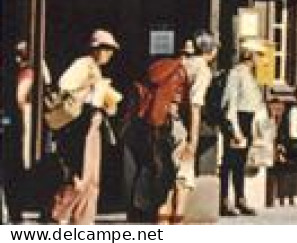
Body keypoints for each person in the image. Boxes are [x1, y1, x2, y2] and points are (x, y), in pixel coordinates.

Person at [45, 30, 121, 224]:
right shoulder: (83, 64)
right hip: (80, 124)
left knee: (90, 178)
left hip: (92, 126)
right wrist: (89, 92)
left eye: (111, 49)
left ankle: (83, 221)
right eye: (106, 49)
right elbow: (65, 84)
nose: (109, 53)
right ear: (95, 49)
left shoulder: (94, 68)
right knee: (78, 176)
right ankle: (60, 215)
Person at [123, 46, 192, 222]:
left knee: (151, 168)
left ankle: (150, 215)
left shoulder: (154, 70)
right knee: (174, 175)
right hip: (170, 124)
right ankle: (171, 220)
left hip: (148, 124)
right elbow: (186, 104)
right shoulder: (179, 72)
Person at [162, 32, 218, 224]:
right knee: (184, 176)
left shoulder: (181, 63)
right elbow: (195, 106)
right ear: (210, 50)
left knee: (166, 177)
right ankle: (178, 224)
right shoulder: (202, 69)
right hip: (178, 125)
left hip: (160, 123)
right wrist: (193, 142)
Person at [218, 40, 265, 216]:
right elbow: (230, 102)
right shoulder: (236, 73)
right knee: (229, 162)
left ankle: (240, 198)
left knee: (240, 163)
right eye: (258, 54)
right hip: (237, 121)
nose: (261, 59)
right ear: (249, 55)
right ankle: (223, 199)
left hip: (248, 120)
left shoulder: (251, 75)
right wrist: (235, 129)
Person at [3, 41, 41, 222]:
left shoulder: (24, 72)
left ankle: (13, 212)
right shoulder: (28, 72)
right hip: (21, 121)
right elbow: (20, 97)